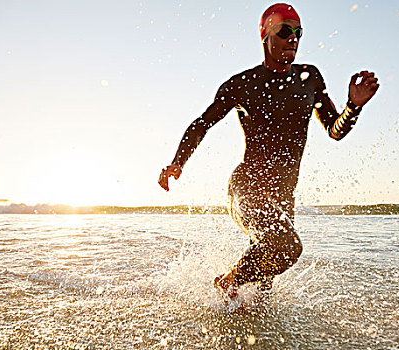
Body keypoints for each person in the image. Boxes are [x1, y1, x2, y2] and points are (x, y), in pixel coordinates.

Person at [158, 3, 379, 299]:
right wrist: (177, 162)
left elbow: (335, 131)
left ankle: (235, 307)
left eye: (298, 32)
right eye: (284, 31)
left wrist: (353, 106)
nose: (293, 39)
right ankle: (228, 281)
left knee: (262, 293)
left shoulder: (310, 78)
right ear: (265, 35)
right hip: (247, 188)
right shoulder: (243, 84)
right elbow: (202, 123)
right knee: (287, 246)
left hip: (282, 196)